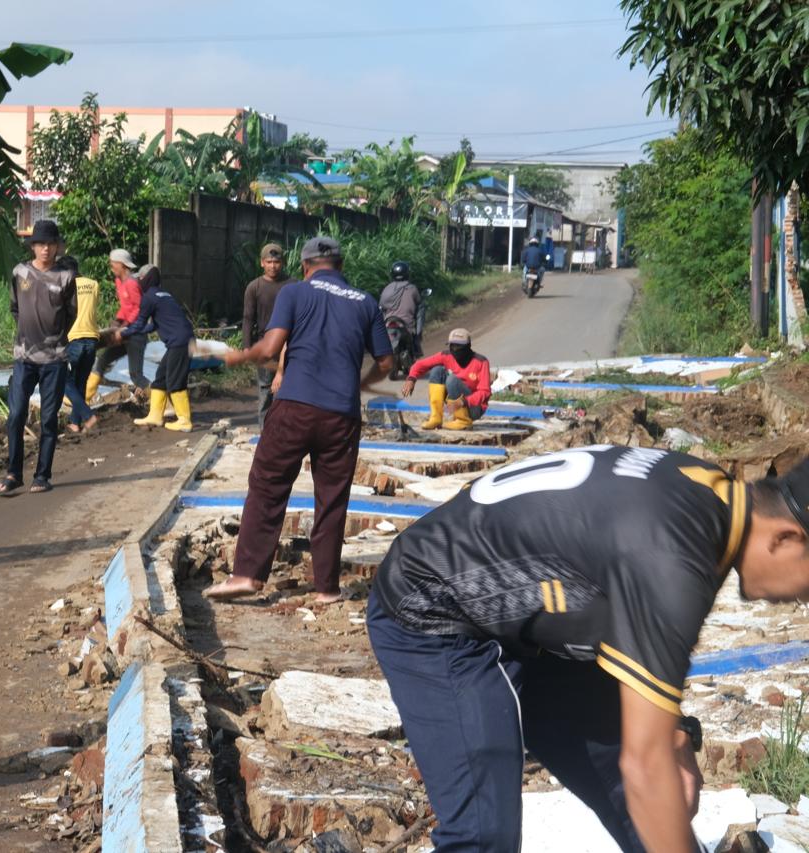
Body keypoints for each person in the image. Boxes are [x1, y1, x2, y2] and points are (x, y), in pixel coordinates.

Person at [368, 447, 809, 852]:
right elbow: (645, 766)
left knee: (645, 797)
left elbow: (632, 607)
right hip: (434, 608)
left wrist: (674, 732)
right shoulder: (673, 559)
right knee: (483, 836)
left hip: (531, 616)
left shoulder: (710, 495)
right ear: (786, 538)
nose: (803, 599)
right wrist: (654, 760)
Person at [203, 236, 392, 604]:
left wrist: (239, 356)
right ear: (341, 266)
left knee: (268, 485)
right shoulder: (365, 302)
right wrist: (361, 383)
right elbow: (386, 362)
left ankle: (247, 575)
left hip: (295, 407)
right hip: (342, 415)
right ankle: (327, 588)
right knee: (332, 499)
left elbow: (271, 347)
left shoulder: (294, 292)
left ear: (305, 267)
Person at [0, 219, 76, 495]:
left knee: (48, 419)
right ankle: (13, 473)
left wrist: (53, 339)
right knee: (16, 414)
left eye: (51, 244)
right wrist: (27, 336)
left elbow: (71, 314)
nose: (46, 249)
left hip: (54, 359)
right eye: (41, 244)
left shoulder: (66, 277)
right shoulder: (20, 273)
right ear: (33, 246)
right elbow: (15, 308)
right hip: (24, 357)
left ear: (57, 247)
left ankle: (42, 475)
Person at [119, 266, 196, 431]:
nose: (137, 282)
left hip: (179, 343)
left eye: (139, 279)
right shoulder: (164, 295)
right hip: (184, 340)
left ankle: (184, 420)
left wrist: (123, 333)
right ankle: (155, 416)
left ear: (145, 279)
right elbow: (154, 325)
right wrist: (136, 331)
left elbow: (140, 322)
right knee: (161, 378)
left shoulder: (149, 297)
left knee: (175, 381)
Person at [241, 243, 291, 429]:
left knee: (288, 388)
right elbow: (248, 318)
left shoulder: (292, 285)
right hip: (265, 345)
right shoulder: (254, 287)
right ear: (262, 263)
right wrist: (247, 346)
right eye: (269, 262)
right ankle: (265, 429)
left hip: (290, 344)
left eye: (276, 262)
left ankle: (285, 429)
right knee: (265, 388)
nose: (273, 266)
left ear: (282, 263)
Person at [401, 328, 490, 431]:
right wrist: (411, 379)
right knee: (437, 371)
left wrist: (464, 401)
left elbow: (485, 392)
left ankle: (463, 421)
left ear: (468, 346)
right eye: (452, 346)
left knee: (452, 379)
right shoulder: (446, 356)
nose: (455, 349)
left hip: (474, 407)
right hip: (454, 405)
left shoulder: (481, 362)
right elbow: (420, 365)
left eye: (459, 346)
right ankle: (436, 418)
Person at [88, 248, 147, 399]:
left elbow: (139, 309)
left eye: (113, 263)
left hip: (135, 334)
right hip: (123, 332)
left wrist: (124, 325)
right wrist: (117, 321)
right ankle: (86, 396)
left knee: (136, 375)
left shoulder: (132, 283)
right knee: (102, 361)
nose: (111, 266)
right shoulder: (119, 282)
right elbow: (125, 307)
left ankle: (162, 402)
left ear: (122, 264)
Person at [56, 255, 100, 433]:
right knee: (80, 382)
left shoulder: (64, 287)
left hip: (73, 338)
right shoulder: (93, 284)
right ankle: (75, 423)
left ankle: (88, 415)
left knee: (62, 379)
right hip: (92, 338)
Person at [378, 260, 423, 357]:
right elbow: (419, 306)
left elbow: (381, 307)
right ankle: (417, 341)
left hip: (388, 323)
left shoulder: (387, 289)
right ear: (407, 273)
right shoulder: (412, 288)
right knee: (421, 308)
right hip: (406, 325)